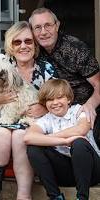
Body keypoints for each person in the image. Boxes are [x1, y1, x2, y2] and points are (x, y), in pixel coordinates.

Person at [0, 21, 57, 200]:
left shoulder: (46, 68)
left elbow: (58, 99)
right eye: (17, 42)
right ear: (10, 45)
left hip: (31, 120)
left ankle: (23, 195)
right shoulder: (1, 63)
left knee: (21, 136)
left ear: (35, 45)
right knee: (2, 135)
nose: (23, 46)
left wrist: (44, 108)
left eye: (28, 41)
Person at [28, 7, 100, 148]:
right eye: (38, 27)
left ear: (57, 25)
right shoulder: (32, 50)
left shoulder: (75, 48)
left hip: (82, 108)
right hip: (53, 108)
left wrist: (90, 105)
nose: (43, 32)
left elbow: (98, 83)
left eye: (48, 25)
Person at [24, 79, 100, 200]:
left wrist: (46, 138)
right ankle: (55, 196)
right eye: (50, 99)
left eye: (59, 98)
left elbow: (80, 130)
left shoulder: (79, 111)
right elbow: (28, 138)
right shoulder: (46, 119)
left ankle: (82, 197)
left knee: (79, 143)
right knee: (33, 148)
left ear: (69, 99)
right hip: (65, 173)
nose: (55, 103)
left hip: (91, 172)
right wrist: (64, 141)